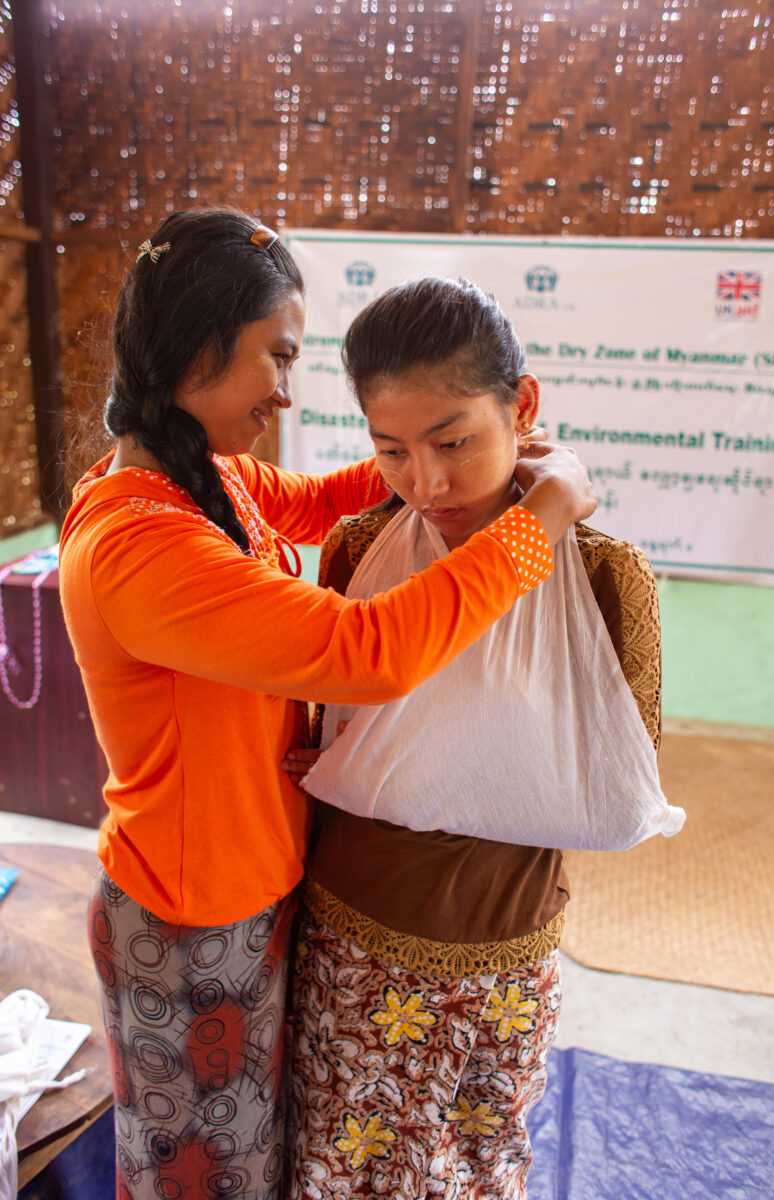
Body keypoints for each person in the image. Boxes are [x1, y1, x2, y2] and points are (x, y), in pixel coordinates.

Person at [57, 210, 595, 1200]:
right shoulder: (143, 546)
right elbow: (363, 653)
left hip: (248, 889)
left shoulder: (202, 478)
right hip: (190, 918)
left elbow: (323, 498)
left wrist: (445, 462)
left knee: (253, 1156)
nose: (285, 389)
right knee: (206, 1180)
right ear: (198, 344)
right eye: (277, 355)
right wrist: (533, 522)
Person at [283, 277, 664, 1200]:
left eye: (453, 441)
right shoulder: (358, 551)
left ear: (522, 404)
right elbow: (320, 746)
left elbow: (620, 787)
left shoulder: (609, 578)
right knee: (340, 1171)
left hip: (508, 950)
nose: (428, 483)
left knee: (480, 1172)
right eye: (391, 452)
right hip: (351, 940)